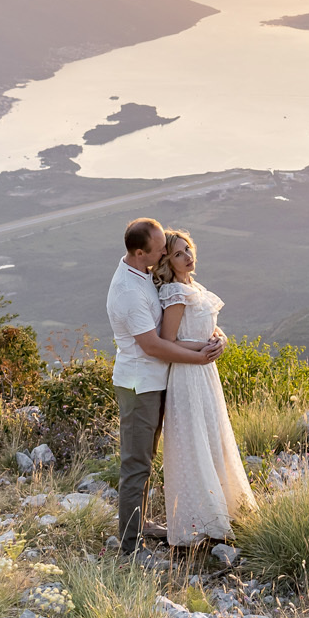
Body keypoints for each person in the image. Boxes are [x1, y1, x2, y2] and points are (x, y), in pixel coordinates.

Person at [106, 216, 222, 556]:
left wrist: (211, 340)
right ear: (141, 252)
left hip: (157, 381)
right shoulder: (128, 292)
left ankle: (140, 525)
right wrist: (200, 357)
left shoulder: (141, 272)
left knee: (147, 457)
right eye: (159, 251)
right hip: (139, 385)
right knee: (136, 464)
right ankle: (130, 547)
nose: (163, 255)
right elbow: (153, 345)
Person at [150, 229, 257, 546]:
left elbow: (210, 325)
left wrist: (220, 339)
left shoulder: (193, 287)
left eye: (189, 249)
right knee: (193, 441)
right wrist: (203, 349)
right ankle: (201, 520)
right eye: (180, 253)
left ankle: (224, 505)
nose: (188, 256)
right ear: (168, 259)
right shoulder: (174, 292)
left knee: (213, 435)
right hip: (187, 373)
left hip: (206, 372)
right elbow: (169, 341)